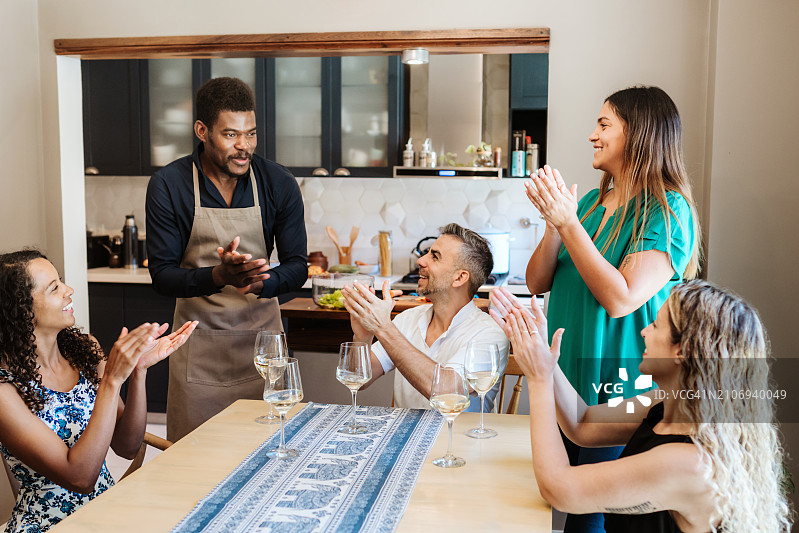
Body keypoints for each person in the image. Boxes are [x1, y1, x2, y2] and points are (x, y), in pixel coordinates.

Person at [524, 86, 701, 531]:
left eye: (604, 125)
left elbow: (621, 297)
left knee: (587, 520)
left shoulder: (667, 210)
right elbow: (536, 281)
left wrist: (568, 224)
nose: (592, 135)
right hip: (564, 384)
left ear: (638, 135)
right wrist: (554, 227)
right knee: (539, 508)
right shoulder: (587, 204)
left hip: (616, 390)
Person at [489, 282, 792, 533]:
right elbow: (582, 424)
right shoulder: (666, 402)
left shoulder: (690, 462)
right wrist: (542, 354)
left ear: (682, 351)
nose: (644, 331)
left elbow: (559, 490)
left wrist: (539, 380)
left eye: (656, 324)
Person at [145, 77, 308, 441]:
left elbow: (299, 266)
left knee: (270, 457)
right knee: (193, 462)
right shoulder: (170, 184)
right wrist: (218, 276)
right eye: (231, 135)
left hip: (264, 349)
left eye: (250, 134)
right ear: (202, 131)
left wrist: (262, 282)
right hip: (198, 351)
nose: (243, 147)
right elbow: (162, 276)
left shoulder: (277, 182)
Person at [0, 250, 196, 532]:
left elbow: (127, 447)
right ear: (21, 309)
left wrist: (137, 371)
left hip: (108, 511)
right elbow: (79, 479)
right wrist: (112, 380)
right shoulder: (5, 389)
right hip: (49, 524)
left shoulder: (82, 351)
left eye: (62, 281)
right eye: (54, 288)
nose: (69, 291)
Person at [342, 223, 508, 410]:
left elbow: (446, 392)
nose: (421, 261)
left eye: (435, 257)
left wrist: (383, 327)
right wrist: (363, 336)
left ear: (460, 278)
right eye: (427, 253)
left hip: (458, 438)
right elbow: (359, 379)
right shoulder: (408, 319)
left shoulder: (490, 334)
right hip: (405, 436)